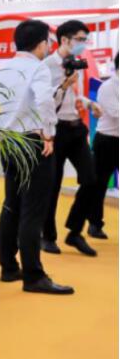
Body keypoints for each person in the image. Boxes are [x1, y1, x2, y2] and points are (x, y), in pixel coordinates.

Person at [0, 19, 73, 295]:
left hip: (8, 142)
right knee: (33, 210)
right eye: (48, 42)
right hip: (32, 142)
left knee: (12, 204)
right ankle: (34, 276)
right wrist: (48, 133)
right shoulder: (38, 68)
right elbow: (44, 100)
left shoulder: (0, 67)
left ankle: (8, 267)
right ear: (41, 44)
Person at [42, 20, 102, 256]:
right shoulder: (47, 66)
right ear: (64, 40)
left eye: (85, 40)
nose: (83, 44)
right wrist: (64, 85)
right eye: (79, 39)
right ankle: (48, 236)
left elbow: (75, 98)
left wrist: (89, 104)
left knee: (91, 179)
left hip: (77, 129)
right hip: (56, 131)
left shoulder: (76, 63)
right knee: (52, 185)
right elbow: (46, 102)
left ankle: (74, 232)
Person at [73, 53, 118, 240]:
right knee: (99, 184)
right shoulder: (108, 87)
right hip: (107, 141)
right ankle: (94, 223)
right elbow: (115, 112)